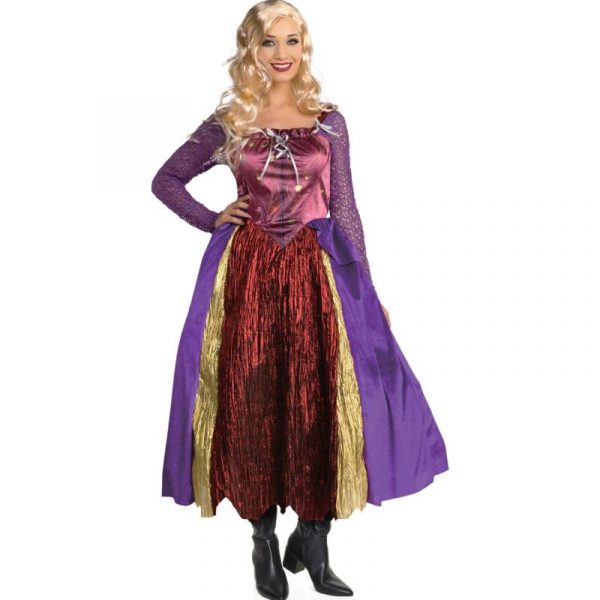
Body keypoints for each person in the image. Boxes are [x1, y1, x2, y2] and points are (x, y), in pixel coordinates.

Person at [150, 2, 449, 598]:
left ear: (303, 46)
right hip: (248, 276)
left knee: (321, 398)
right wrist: (213, 218)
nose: (281, 53)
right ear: (250, 49)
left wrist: (367, 288)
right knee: (255, 398)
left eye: (291, 40)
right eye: (269, 42)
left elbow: (345, 208)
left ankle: (314, 539)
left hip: (318, 274)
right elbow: (165, 180)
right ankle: (262, 540)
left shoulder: (329, 120)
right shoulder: (230, 120)